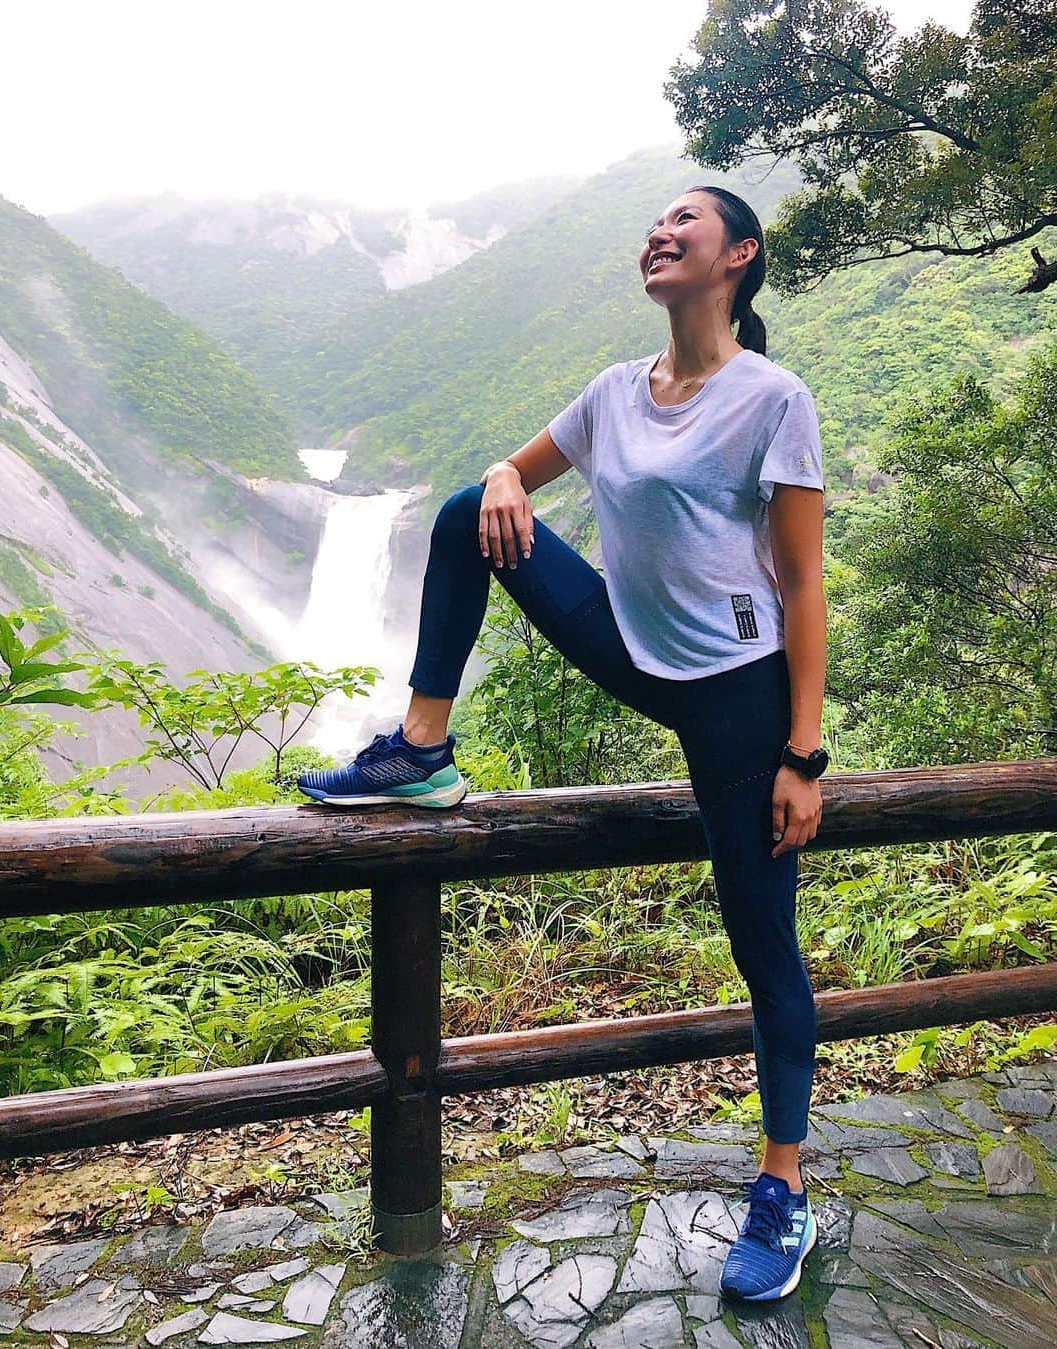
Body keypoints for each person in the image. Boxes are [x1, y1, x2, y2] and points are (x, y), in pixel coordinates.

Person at [298, 184, 828, 1302]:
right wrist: (501, 471)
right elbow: (518, 481)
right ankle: (424, 750)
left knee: (760, 938)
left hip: (737, 692)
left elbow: (801, 580)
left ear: (739, 255)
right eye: (655, 221)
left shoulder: (774, 398)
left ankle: (783, 1188)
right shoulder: (608, 395)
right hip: (630, 648)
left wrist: (804, 752)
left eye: (686, 219)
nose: (661, 231)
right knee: (457, 513)